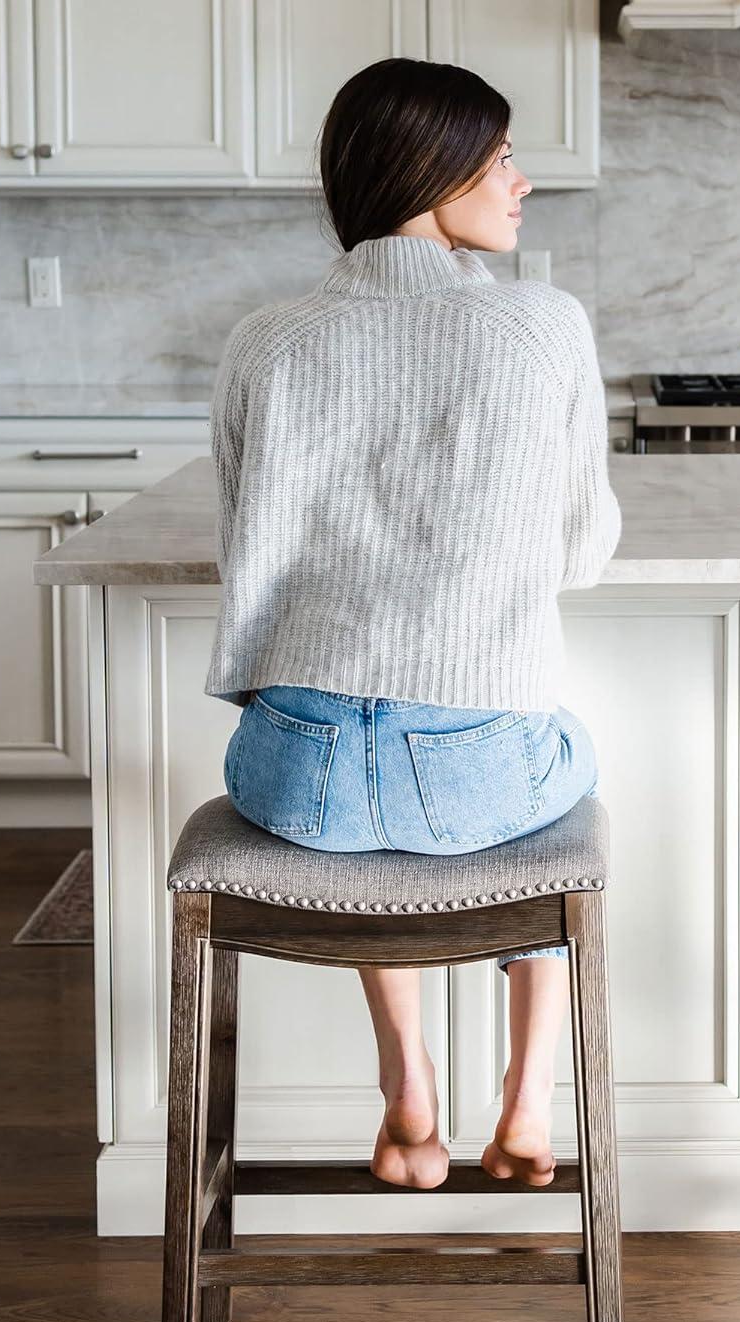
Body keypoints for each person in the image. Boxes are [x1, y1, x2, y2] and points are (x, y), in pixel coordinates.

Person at [203, 55, 621, 1194]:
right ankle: (528, 1107)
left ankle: (410, 1097)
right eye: (499, 159)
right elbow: (581, 554)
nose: (522, 181)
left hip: (294, 774)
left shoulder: (266, 340)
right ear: (429, 174)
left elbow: (246, 544)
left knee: (371, 799)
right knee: (560, 767)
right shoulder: (544, 329)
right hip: (474, 779)